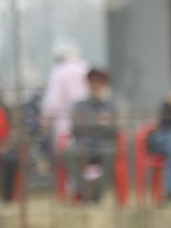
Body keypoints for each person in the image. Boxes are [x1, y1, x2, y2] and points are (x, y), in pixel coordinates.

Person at [63, 69, 120, 203]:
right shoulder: (79, 105)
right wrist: (100, 123)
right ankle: (84, 192)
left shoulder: (114, 104)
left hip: (104, 145)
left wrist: (89, 124)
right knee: (69, 153)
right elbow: (76, 125)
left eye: (99, 82)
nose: (95, 85)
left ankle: (98, 194)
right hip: (83, 144)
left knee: (110, 154)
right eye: (92, 81)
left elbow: (116, 127)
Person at [41, 37, 90, 150]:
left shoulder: (58, 72)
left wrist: (44, 119)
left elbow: (53, 100)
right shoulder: (86, 68)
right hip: (87, 120)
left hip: (65, 123)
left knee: (66, 153)